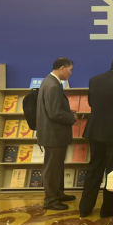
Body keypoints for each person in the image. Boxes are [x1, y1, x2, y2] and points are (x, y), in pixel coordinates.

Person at [79, 56, 113, 219]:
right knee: (112, 171)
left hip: (95, 131)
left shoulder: (94, 80)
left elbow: (91, 103)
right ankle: (108, 210)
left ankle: (85, 208)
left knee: (94, 169)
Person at [37, 57, 78, 211]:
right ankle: (51, 200)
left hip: (54, 134)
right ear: (62, 68)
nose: (71, 73)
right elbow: (54, 113)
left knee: (57, 166)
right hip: (53, 135)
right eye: (70, 69)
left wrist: (66, 111)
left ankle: (58, 194)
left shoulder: (50, 82)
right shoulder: (53, 85)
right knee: (52, 168)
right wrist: (72, 117)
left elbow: (53, 109)